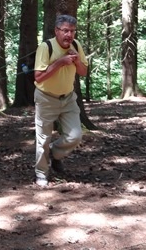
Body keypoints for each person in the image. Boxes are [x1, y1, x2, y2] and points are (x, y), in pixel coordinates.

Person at [32, 15, 88, 187]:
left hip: (69, 99)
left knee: (75, 136)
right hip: (46, 99)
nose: (68, 35)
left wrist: (77, 61)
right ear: (57, 31)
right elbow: (38, 77)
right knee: (43, 139)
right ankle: (41, 173)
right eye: (65, 30)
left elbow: (83, 72)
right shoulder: (46, 47)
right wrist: (60, 63)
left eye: (71, 31)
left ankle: (55, 155)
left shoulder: (76, 46)